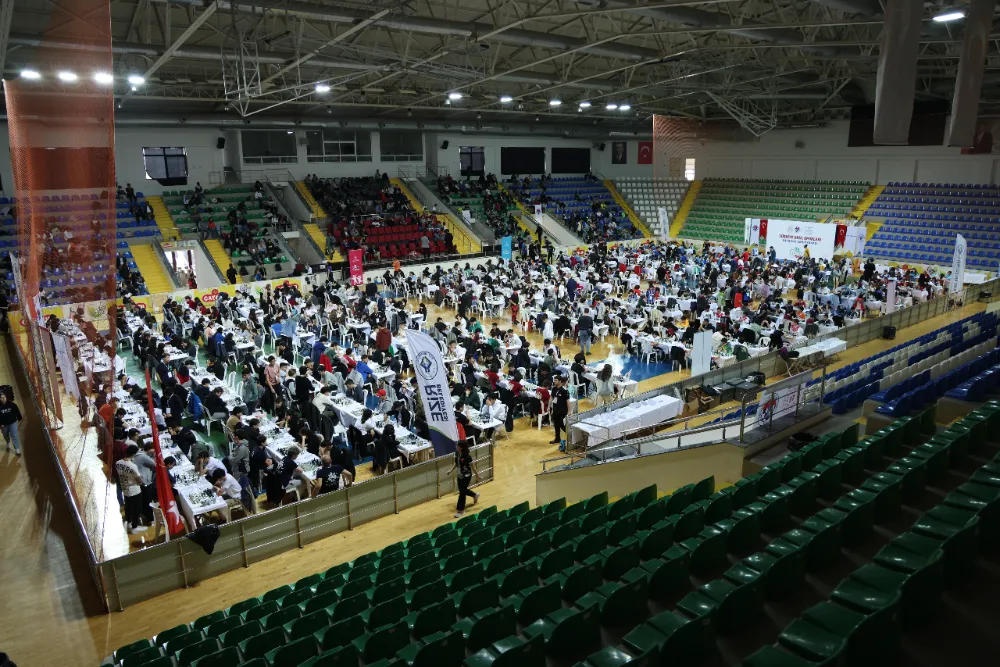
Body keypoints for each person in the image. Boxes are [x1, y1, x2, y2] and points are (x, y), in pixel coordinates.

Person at [116, 444, 146, 534]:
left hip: (124, 489)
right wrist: (141, 480)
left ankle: (129, 524)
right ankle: (134, 527)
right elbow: (139, 480)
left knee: (128, 508)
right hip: (134, 490)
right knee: (136, 509)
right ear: (134, 454)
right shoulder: (132, 466)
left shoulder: (118, 463)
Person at [448, 439, 479, 518]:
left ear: (461, 447)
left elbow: (473, 466)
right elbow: (457, 463)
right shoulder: (457, 453)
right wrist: (451, 470)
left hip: (466, 476)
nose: (456, 447)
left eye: (457, 445)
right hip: (459, 475)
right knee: (463, 490)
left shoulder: (467, 456)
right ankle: (475, 495)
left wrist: (477, 475)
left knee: (462, 492)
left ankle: (461, 510)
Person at [550, 375, 570, 450]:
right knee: (556, 426)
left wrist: (569, 411)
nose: (554, 381)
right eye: (554, 380)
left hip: (562, 412)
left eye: (556, 380)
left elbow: (568, 402)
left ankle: (568, 439)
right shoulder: (554, 389)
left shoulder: (565, 391)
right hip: (555, 411)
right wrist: (549, 406)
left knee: (563, 426)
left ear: (560, 381)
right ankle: (557, 438)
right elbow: (551, 397)